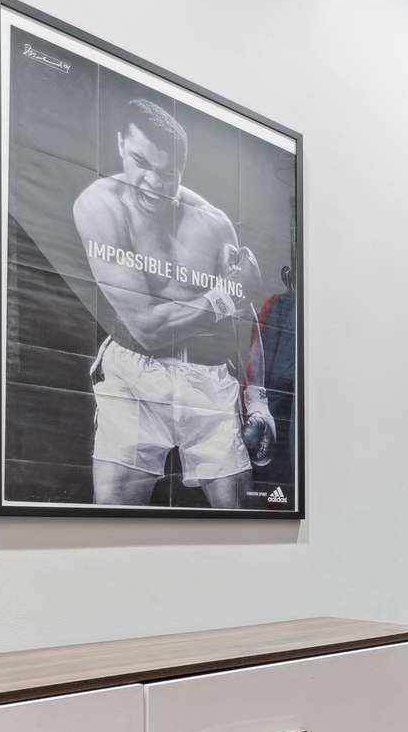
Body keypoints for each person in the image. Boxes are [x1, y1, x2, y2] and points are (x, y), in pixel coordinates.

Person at [73, 97, 273, 507]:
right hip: (134, 378)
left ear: (182, 168)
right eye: (139, 163)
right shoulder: (100, 206)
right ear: (119, 146)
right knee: (113, 528)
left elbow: (244, 315)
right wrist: (224, 294)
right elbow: (145, 327)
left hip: (209, 377)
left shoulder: (214, 224)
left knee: (241, 527)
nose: (151, 182)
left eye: (166, 173)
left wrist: (259, 402)